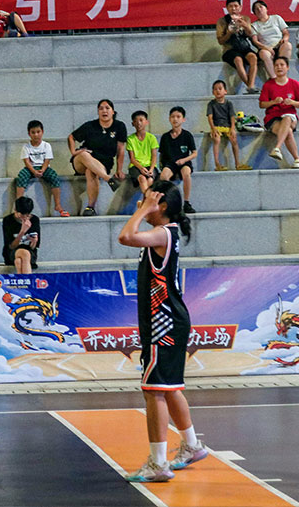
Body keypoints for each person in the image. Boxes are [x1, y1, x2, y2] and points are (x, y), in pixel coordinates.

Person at [117, 181, 207, 482]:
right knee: (169, 387)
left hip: (164, 322)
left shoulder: (163, 234)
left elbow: (125, 236)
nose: (141, 203)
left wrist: (142, 210)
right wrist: (147, 199)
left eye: (148, 200)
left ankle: (158, 463)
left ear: (162, 206)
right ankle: (191, 445)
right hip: (168, 320)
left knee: (154, 389)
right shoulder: (166, 232)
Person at [68, 99, 127, 216]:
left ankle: (90, 207)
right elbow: (71, 137)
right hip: (82, 160)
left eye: (107, 108)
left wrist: (119, 169)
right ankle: (108, 179)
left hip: (103, 162)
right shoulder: (90, 125)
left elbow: (120, 150)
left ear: (113, 111)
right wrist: (74, 152)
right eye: (101, 108)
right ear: (98, 112)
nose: (104, 111)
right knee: (83, 154)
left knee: (91, 171)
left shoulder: (119, 126)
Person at [16, 119, 69, 217]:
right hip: (30, 168)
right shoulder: (26, 147)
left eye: (38, 132)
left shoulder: (46, 145)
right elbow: (26, 161)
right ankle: (18, 207)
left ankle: (58, 205)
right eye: (33, 132)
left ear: (42, 132)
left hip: (43, 167)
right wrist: (33, 171)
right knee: (21, 176)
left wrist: (42, 170)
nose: (36, 135)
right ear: (29, 134)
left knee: (54, 177)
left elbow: (47, 160)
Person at [260, 57, 299, 169]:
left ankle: (277, 147)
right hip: (273, 117)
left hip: (290, 115)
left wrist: (292, 102)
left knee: (287, 118)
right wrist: (273, 102)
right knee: (287, 131)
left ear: (287, 67)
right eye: (276, 65)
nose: (279, 67)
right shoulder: (268, 85)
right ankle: (297, 159)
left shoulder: (294, 84)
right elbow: (262, 104)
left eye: (282, 65)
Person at [215, 0, 261, 94]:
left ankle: (250, 85)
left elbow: (250, 34)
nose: (233, 9)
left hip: (244, 47)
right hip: (230, 49)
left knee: (253, 57)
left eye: (236, 6)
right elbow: (220, 41)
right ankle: (250, 86)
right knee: (238, 60)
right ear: (227, 8)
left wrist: (245, 26)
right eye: (231, 6)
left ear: (240, 7)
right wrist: (229, 33)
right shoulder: (222, 21)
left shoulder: (246, 19)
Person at [158, 107, 198, 214]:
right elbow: (161, 154)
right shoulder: (165, 137)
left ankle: (187, 203)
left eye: (178, 117)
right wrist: (162, 166)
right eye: (173, 117)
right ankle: (167, 203)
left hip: (184, 162)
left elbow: (194, 153)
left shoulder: (187, 135)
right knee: (163, 176)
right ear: (169, 119)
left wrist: (184, 160)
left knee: (186, 174)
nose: (175, 119)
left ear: (183, 119)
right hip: (170, 163)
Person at [206, 80, 249, 171]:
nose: (218, 91)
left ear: (225, 91)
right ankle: (217, 163)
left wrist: (232, 128)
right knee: (217, 139)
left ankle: (237, 164)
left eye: (220, 88)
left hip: (227, 126)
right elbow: (210, 117)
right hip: (216, 126)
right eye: (215, 89)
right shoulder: (211, 104)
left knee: (234, 140)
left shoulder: (229, 103)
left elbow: (232, 117)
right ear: (213, 92)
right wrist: (213, 129)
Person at [2, 197, 40, 274]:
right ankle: (28, 280)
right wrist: (22, 232)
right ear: (15, 210)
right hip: (11, 252)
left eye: (28, 215)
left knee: (18, 261)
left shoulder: (34, 220)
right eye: (22, 214)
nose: (25, 217)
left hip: (30, 253)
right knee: (24, 253)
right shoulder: (8, 220)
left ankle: (22, 281)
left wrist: (34, 241)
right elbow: (11, 246)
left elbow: (33, 247)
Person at [250, 0, 292, 69]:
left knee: (287, 45)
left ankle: (283, 71)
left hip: (279, 45)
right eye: (256, 9)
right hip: (266, 48)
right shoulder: (254, 25)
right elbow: (255, 41)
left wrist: (284, 39)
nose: (259, 9)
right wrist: (267, 48)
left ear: (266, 9)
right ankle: (273, 75)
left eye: (261, 7)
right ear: (254, 13)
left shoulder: (276, 18)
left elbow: (286, 33)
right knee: (264, 53)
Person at [126, 110, 158, 194]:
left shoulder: (151, 138)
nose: (138, 123)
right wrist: (141, 168)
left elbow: (154, 156)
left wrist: (151, 169)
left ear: (146, 122)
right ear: (132, 124)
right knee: (142, 179)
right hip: (135, 166)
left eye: (141, 120)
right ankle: (147, 200)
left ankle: (146, 200)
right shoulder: (130, 139)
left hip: (150, 166)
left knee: (150, 180)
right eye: (136, 121)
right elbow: (132, 159)